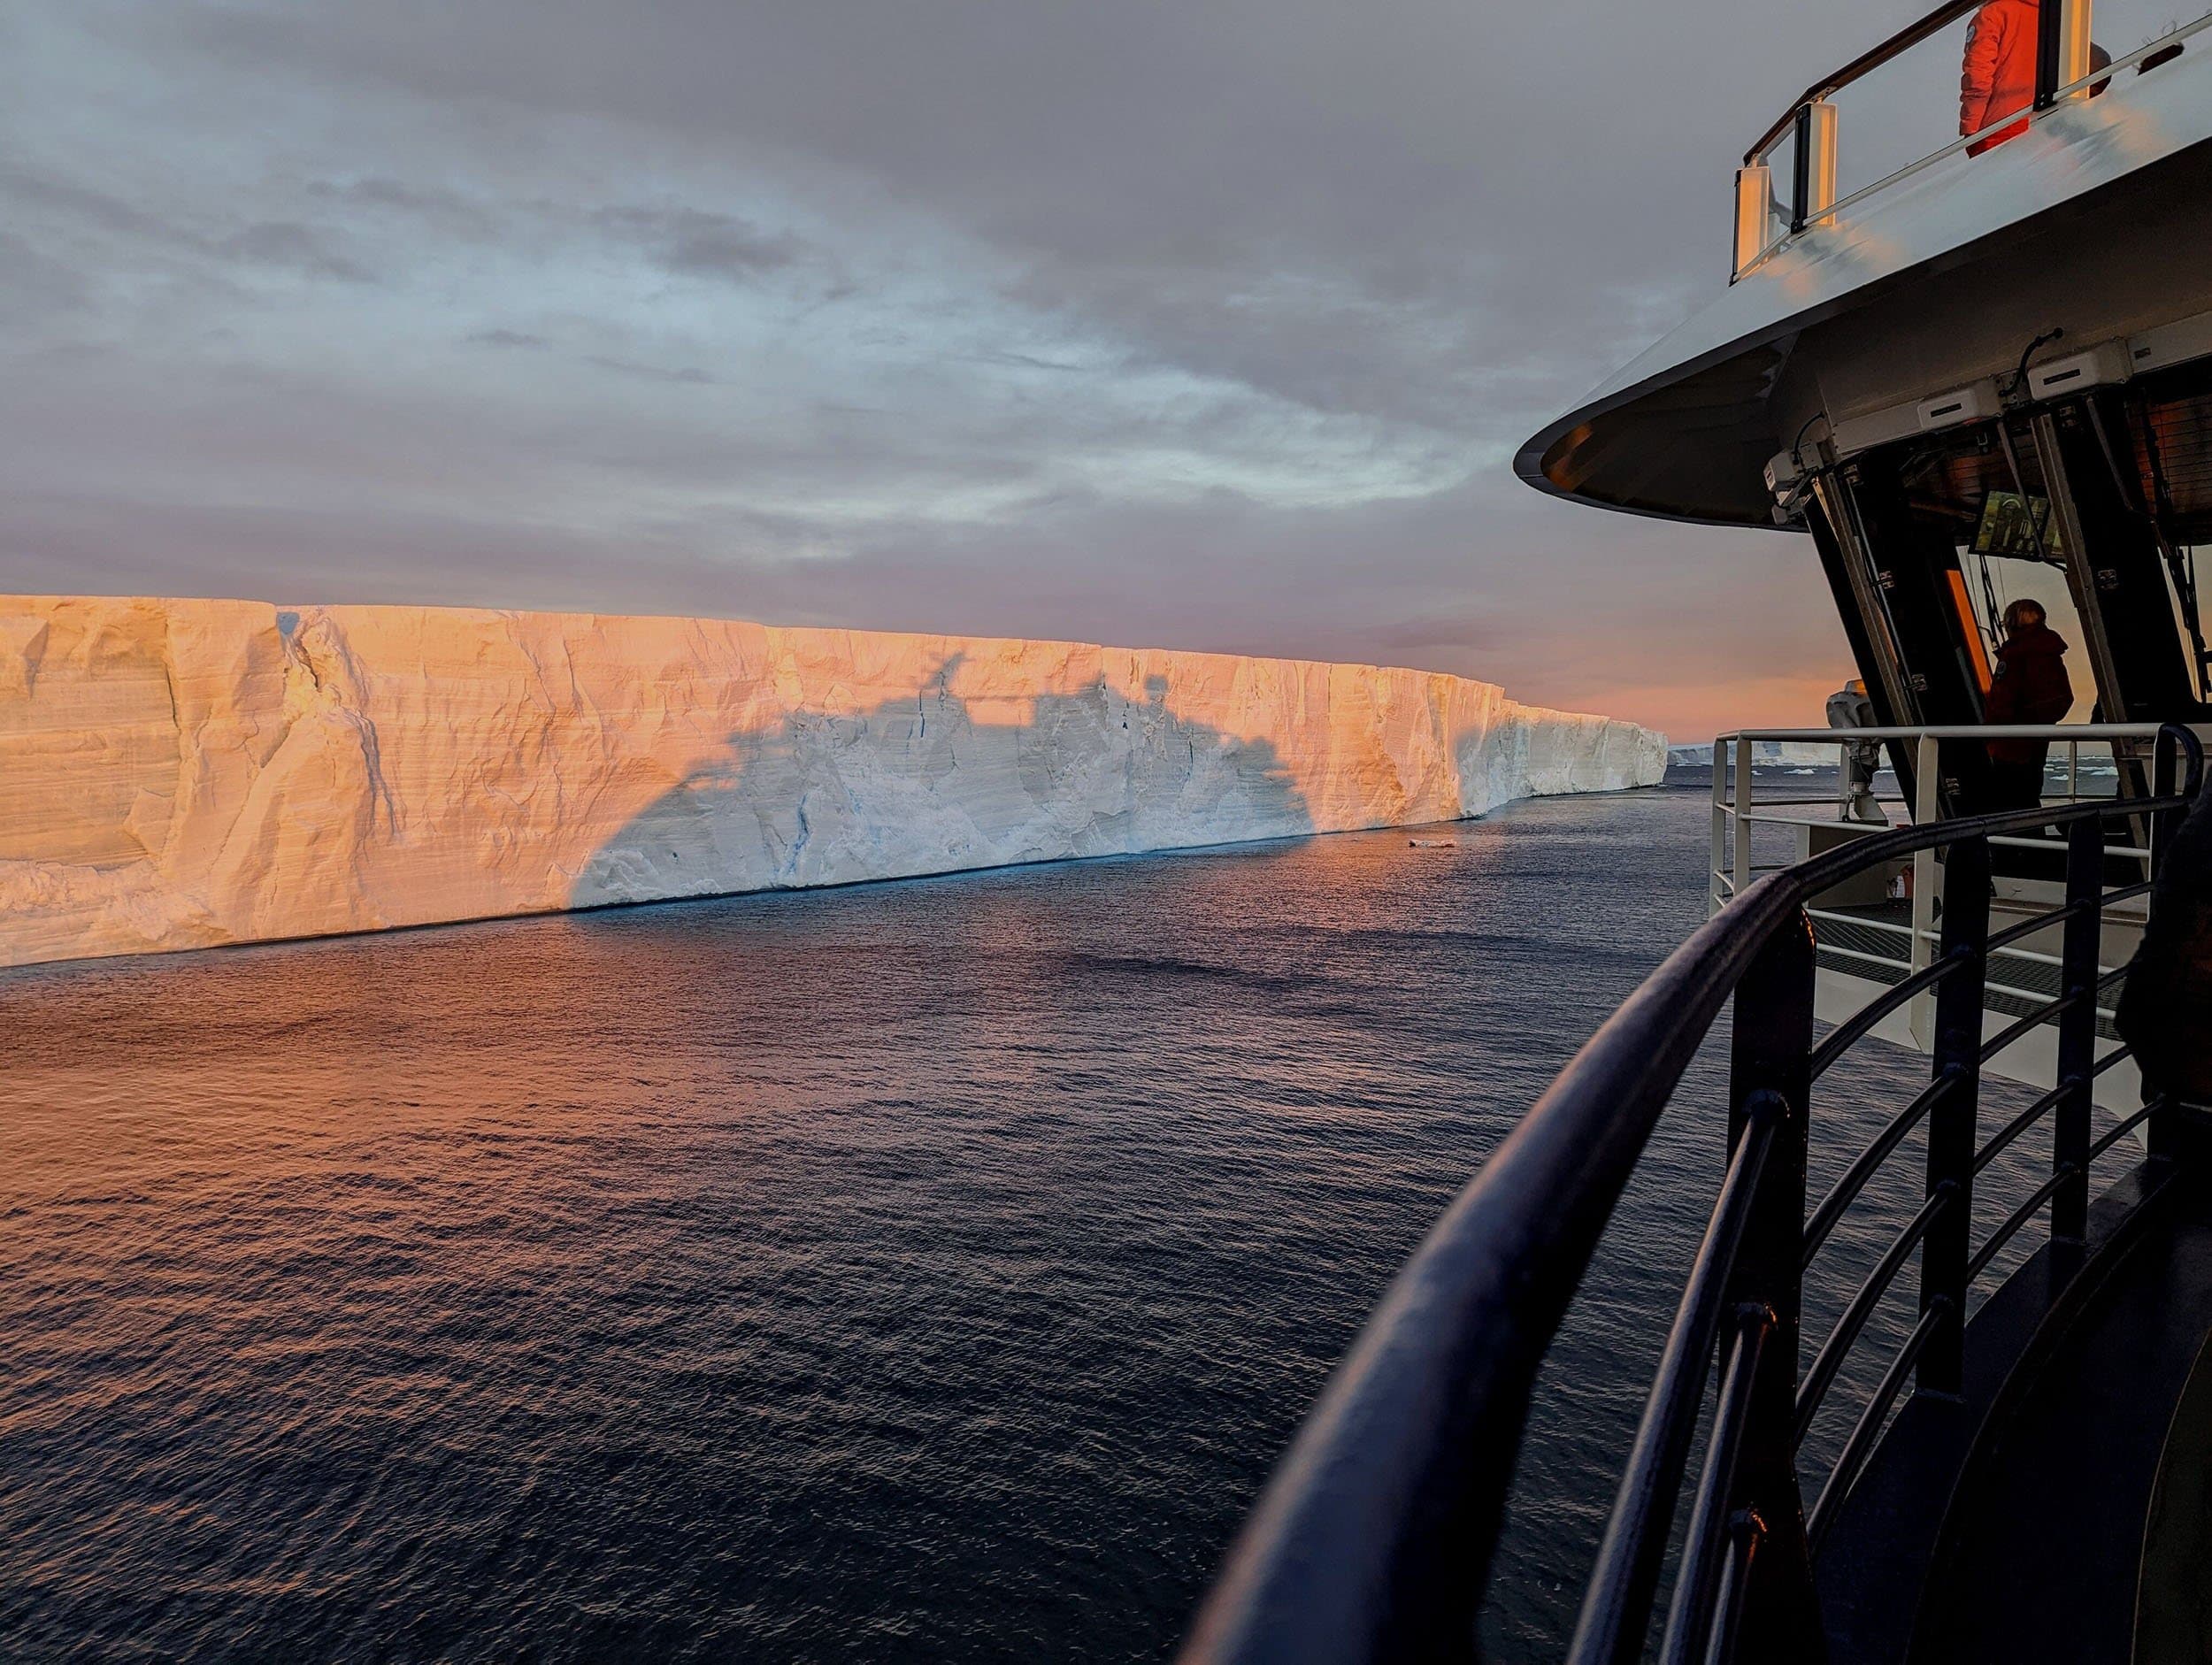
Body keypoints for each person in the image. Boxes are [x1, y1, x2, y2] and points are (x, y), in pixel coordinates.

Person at [1983, 598, 2074, 807]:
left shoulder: (2016, 655)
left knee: (2008, 801)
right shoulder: (2049, 654)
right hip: (2036, 741)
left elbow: (2003, 700)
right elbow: (2062, 699)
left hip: (2011, 745)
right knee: (2028, 795)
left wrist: (1995, 731)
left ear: (2011, 623)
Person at [1961, 0, 2039, 155]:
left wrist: (1971, 128)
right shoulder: (2056, 15)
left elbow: (1977, 75)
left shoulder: (1991, 15)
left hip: (2001, 125)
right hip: (2047, 122)